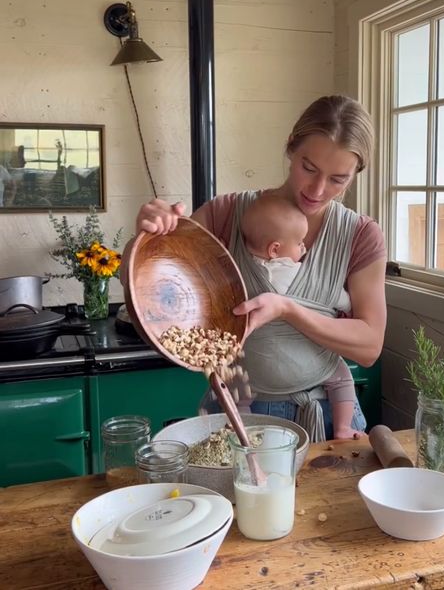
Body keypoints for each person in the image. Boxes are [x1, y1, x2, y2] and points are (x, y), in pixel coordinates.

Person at [122, 95, 387, 441]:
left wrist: (288, 310)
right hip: (234, 412)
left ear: (355, 175)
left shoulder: (360, 235)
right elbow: (147, 282)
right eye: (309, 167)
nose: (318, 190)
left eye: (338, 179)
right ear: (291, 147)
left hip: (326, 414)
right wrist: (146, 235)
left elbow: (369, 346)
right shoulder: (226, 214)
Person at [240, 193, 362, 438]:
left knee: (234, 386)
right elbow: (340, 298)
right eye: (299, 243)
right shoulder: (296, 273)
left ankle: (241, 428)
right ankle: (343, 427)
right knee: (341, 375)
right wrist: (349, 304)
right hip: (312, 368)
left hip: (257, 373)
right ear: (275, 249)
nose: (304, 248)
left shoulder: (240, 275)